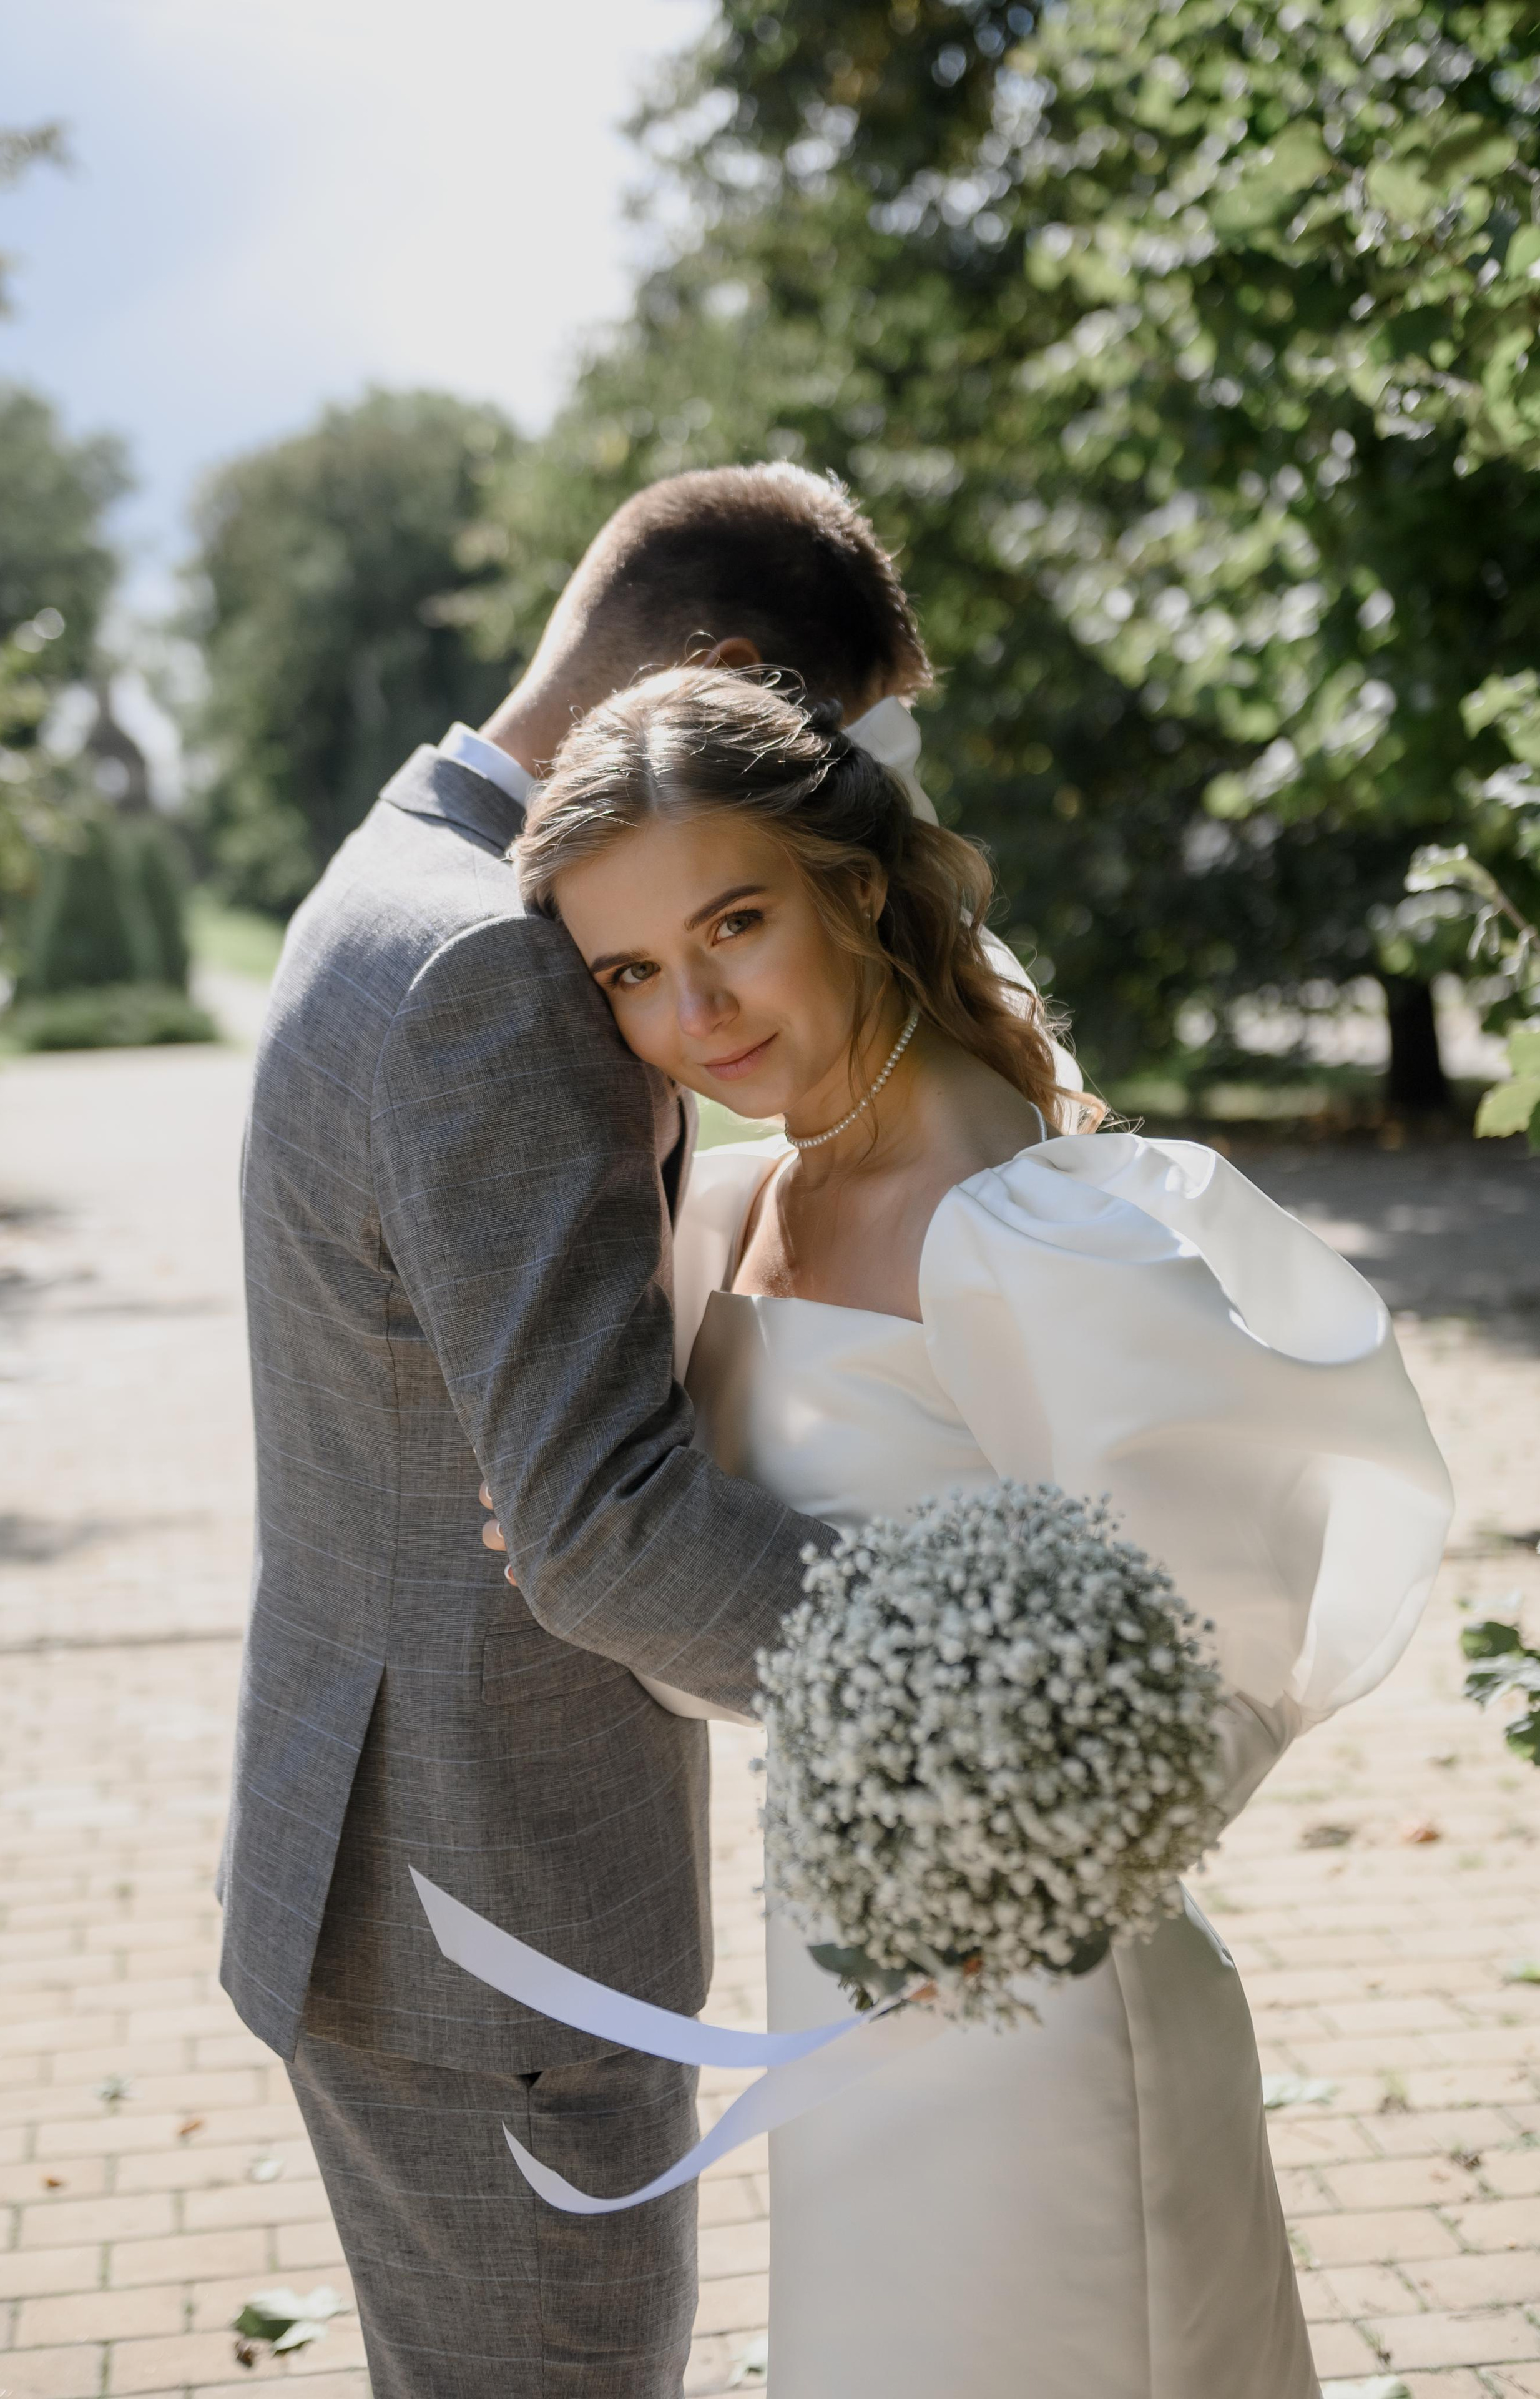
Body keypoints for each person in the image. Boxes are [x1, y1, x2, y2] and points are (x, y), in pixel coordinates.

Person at [511, 666, 1454, 2398]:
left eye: (735, 922)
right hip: (849, 1969)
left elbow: (1214, 1615)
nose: (696, 1007)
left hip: (1038, 1999)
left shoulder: (1013, 1221)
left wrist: (1013, 1850)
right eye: (630, 971)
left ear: (853, 884)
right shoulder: (731, 1200)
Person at [218, 465, 969, 2398]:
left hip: (403, 1874)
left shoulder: (394, 866)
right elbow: (601, 1530)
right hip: (500, 1925)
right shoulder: (496, 969)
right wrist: (992, 1684)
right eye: (828, 732)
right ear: (719, 673)